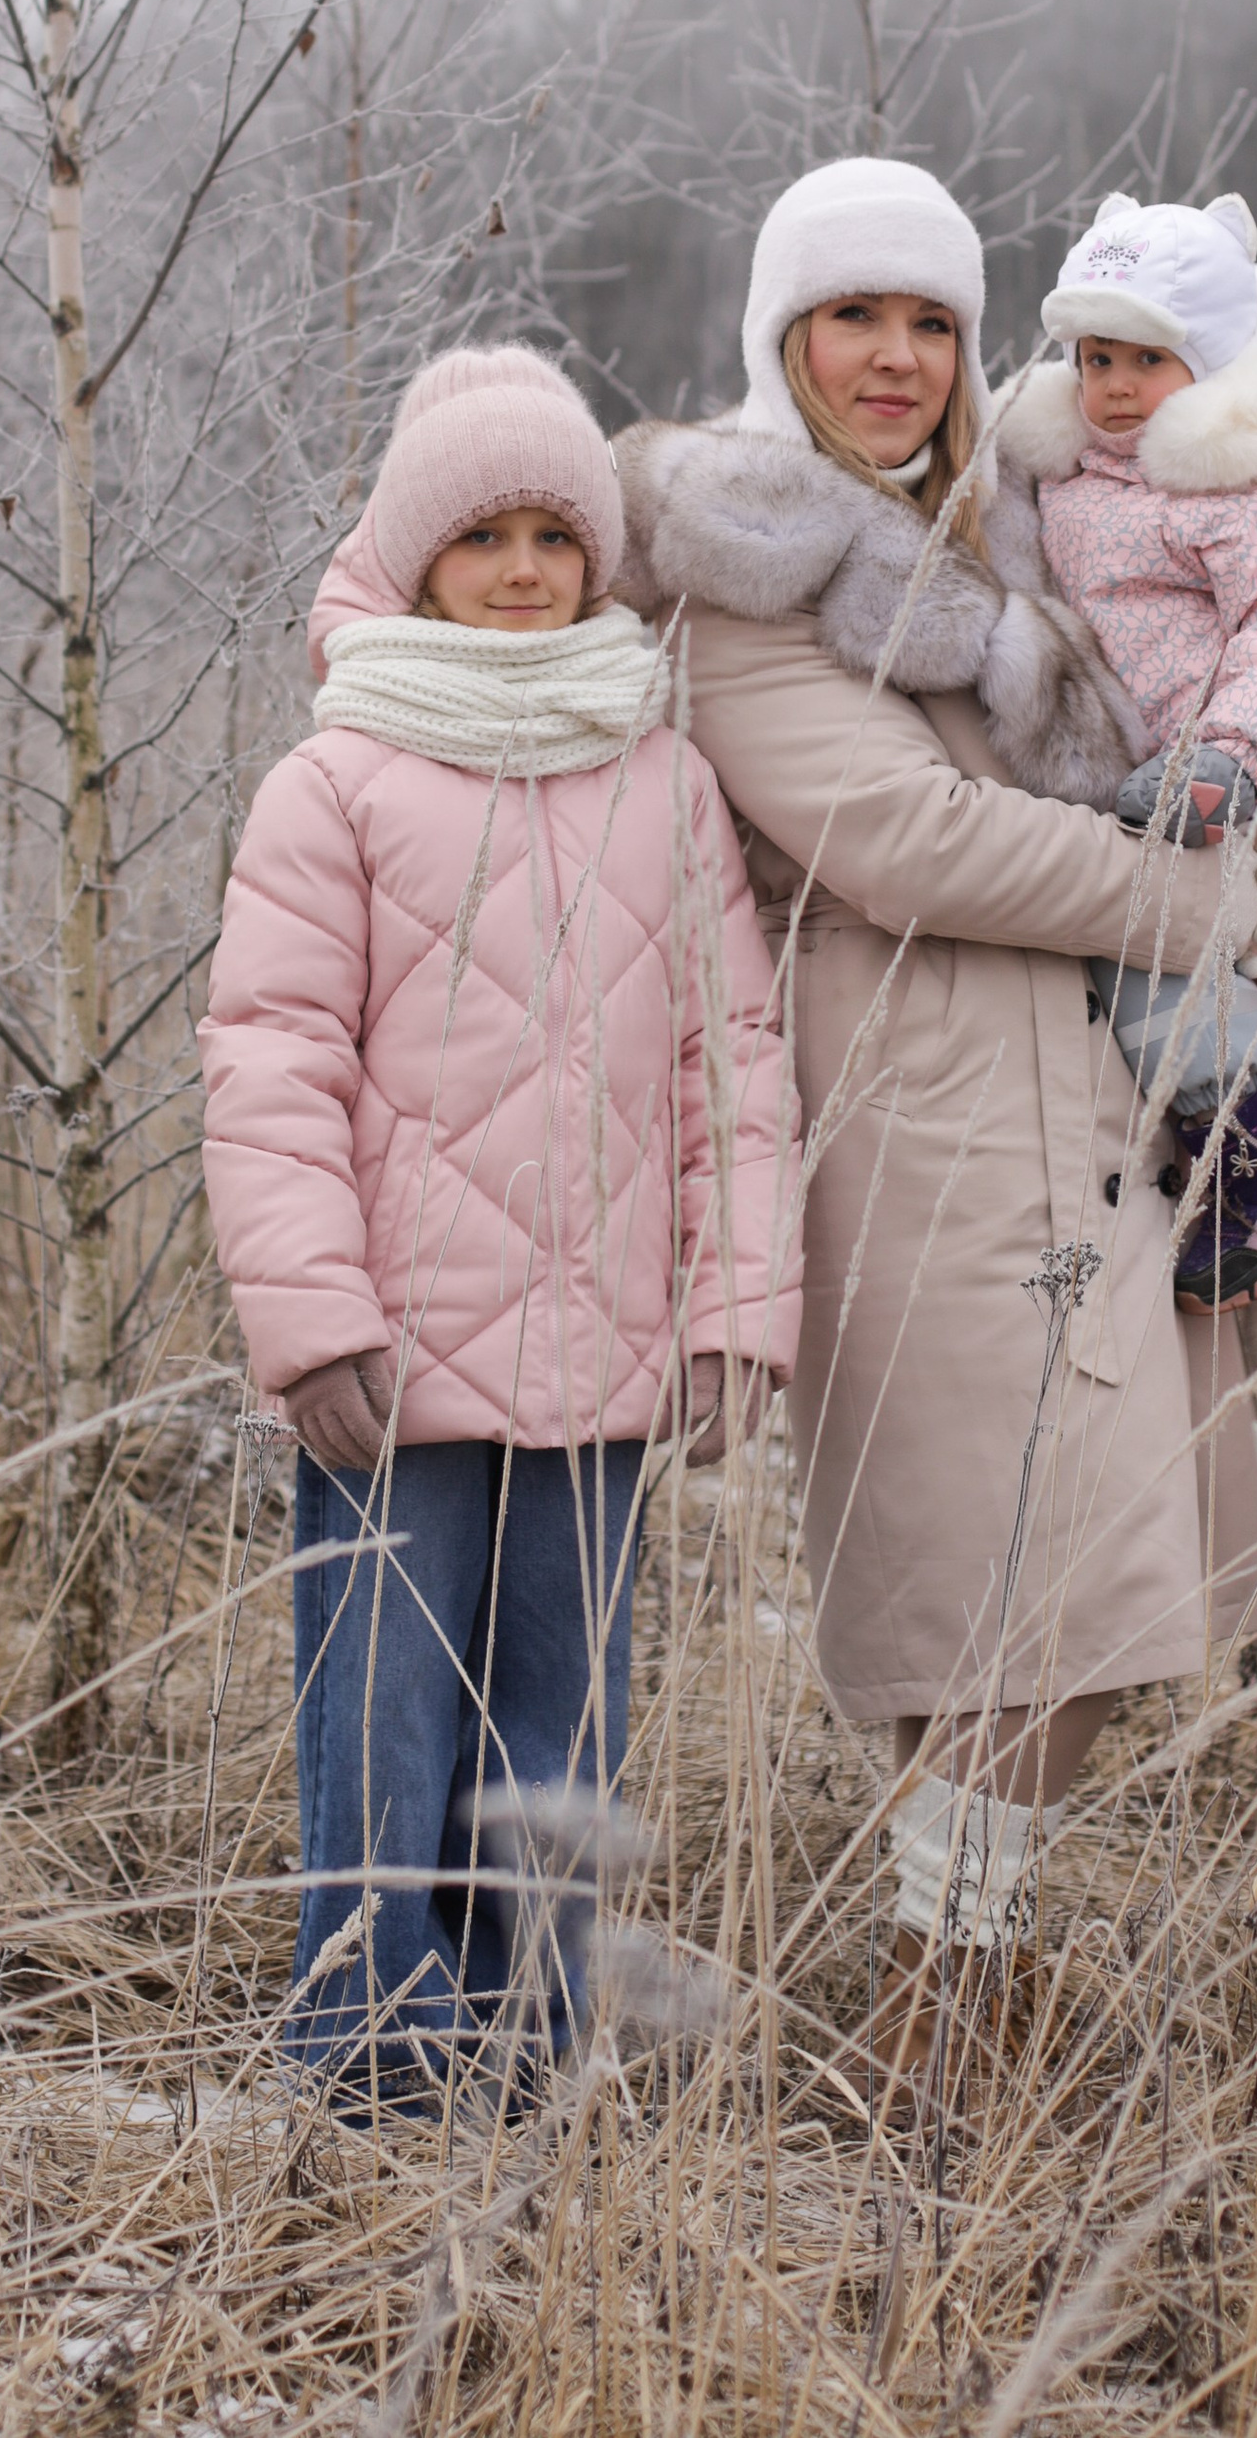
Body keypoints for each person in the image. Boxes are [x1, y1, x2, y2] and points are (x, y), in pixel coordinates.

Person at [612, 157, 1257, 2090]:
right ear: (783, 336)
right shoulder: (739, 571)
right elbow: (902, 837)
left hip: (1081, 1099)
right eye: (857, 317)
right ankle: (942, 1999)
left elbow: (1203, 674)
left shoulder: (1000, 557)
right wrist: (1194, 899)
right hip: (909, 1103)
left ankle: (958, 1976)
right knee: (1012, 1575)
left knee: (1079, 1577)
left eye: (933, 321)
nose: (899, 359)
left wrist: (1254, 817)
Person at [202, 347, 800, 2111]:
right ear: (413, 562)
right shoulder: (341, 782)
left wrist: (737, 1310)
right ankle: (371, 2046)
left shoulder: (661, 779)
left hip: (604, 1354)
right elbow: (270, 1063)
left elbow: (731, 1064)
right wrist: (311, 1321)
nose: (529, 568)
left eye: (559, 534)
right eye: (486, 538)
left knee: (563, 1718)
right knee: (381, 1718)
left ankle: (532, 2041)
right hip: (389, 1364)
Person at [999, 189, 1257, 1312]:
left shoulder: (1251, 485)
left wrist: (1235, 757)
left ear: (1210, 369)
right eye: (1094, 356)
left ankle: (1255, 1164)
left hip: (1221, 775)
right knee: (1119, 964)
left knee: (1148, 953)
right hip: (1122, 782)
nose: (1110, 384)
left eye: (1144, 360)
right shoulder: (1069, 474)